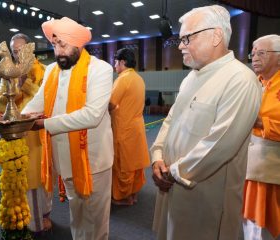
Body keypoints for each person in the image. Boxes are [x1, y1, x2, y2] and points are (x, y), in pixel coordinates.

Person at [150, 5, 262, 240]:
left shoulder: (241, 80)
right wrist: (158, 156)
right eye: (180, 39)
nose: (180, 46)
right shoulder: (191, 76)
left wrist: (172, 173)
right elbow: (171, 120)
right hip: (172, 184)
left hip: (206, 197)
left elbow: (219, 145)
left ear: (216, 36)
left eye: (187, 38)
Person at [22, 17, 114, 240]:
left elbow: (91, 115)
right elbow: (38, 103)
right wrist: (15, 119)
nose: (58, 51)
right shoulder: (52, 70)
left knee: (96, 218)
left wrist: (44, 124)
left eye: (63, 45)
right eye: (54, 45)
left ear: (78, 44)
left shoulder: (100, 69)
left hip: (93, 161)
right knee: (77, 214)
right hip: (64, 159)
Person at [0, 33, 52, 234]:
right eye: (14, 51)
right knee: (27, 178)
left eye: (20, 50)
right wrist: (15, 88)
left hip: (40, 132)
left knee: (42, 177)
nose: (17, 55)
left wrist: (24, 84)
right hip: (18, 135)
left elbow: (46, 99)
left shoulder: (45, 71)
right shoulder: (9, 73)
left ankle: (44, 214)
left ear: (30, 49)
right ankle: (32, 223)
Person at [242, 34, 280, 240]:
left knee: (268, 225)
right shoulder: (250, 84)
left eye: (261, 53)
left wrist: (260, 123)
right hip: (245, 165)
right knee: (248, 222)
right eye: (253, 53)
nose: (254, 57)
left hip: (272, 170)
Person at [109, 48, 150, 205]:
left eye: (116, 61)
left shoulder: (123, 79)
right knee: (134, 163)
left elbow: (111, 104)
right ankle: (133, 194)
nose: (114, 65)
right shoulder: (138, 78)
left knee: (123, 164)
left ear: (122, 62)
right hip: (136, 127)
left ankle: (124, 197)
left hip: (123, 128)